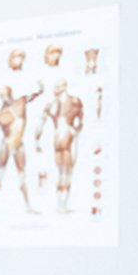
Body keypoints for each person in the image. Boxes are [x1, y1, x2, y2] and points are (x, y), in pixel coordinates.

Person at [0, 82, 45, 219]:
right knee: (0, 173)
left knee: (22, 176)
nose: (5, 98)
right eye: (2, 95)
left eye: (6, 94)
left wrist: (40, 90)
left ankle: (28, 205)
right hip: (5, 144)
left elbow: (32, 96)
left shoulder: (20, 103)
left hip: (18, 144)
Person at [35, 79, 84, 214]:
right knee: (67, 172)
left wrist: (37, 142)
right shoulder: (74, 101)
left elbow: (40, 124)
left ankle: (60, 205)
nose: (54, 89)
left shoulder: (52, 104)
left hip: (57, 136)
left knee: (61, 172)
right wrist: (75, 131)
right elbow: (80, 121)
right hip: (67, 133)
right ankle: (62, 205)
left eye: (56, 87)